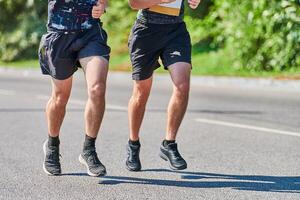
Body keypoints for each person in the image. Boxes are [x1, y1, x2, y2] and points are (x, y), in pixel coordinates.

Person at [126, 0, 201, 171]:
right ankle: (133, 144)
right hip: (146, 30)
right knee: (141, 92)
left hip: (176, 32)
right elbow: (134, 3)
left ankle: (169, 143)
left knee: (182, 85)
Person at [39, 0, 110, 176]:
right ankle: (52, 145)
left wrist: (103, 5)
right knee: (60, 97)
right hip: (60, 35)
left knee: (97, 89)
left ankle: (89, 149)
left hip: (91, 33)